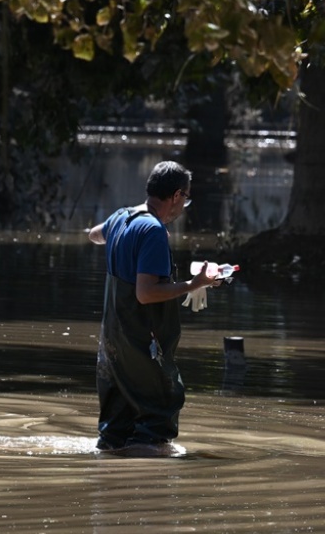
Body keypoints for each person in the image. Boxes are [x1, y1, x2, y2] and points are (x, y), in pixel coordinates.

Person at [86, 160, 219, 451]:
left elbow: (94, 234)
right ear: (176, 196)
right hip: (140, 341)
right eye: (186, 198)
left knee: (114, 436)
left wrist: (116, 236)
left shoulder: (123, 217)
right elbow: (145, 294)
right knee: (154, 424)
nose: (185, 205)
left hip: (113, 345)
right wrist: (195, 284)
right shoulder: (153, 231)